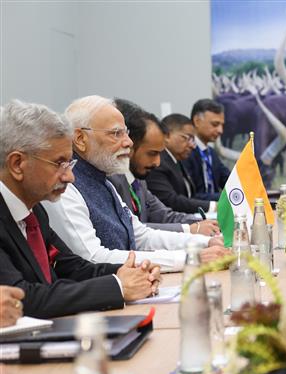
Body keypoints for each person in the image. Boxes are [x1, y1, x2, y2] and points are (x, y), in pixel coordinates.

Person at [0, 100, 159, 318]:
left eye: (70, 164)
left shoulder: (35, 211)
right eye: (59, 164)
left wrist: (128, 273)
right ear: (17, 164)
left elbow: (72, 267)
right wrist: (118, 287)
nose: (70, 176)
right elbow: (23, 296)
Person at [43, 96, 228, 273]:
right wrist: (191, 258)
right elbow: (93, 257)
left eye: (126, 133)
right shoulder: (66, 186)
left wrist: (204, 243)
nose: (128, 142)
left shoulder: (105, 181)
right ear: (80, 139)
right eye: (116, 133)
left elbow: (142, 236)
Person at [108, 99, 219, 236]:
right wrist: (191, 229)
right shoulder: (112, 181)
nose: (157, 163)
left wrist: (205, 222)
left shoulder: (139, 180)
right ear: (129, 146)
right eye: (152, 153)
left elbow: (163, 215)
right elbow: (133, 230)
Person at [146, 113, 217, 215]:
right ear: (167, 136)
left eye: (193, 140)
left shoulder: (177, 160)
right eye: (187, 138)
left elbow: (191, 196)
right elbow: (171, 201)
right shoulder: (158, 163)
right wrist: (213, 206)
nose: (192, 146)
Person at [184, 99, 230, 201]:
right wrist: (225, 198)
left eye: (222, 125)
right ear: (197, 121)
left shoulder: (211, 153)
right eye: (215, 124)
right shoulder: (185, 152)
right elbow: (191, 195)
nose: (220, 130)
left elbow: (230, 180)